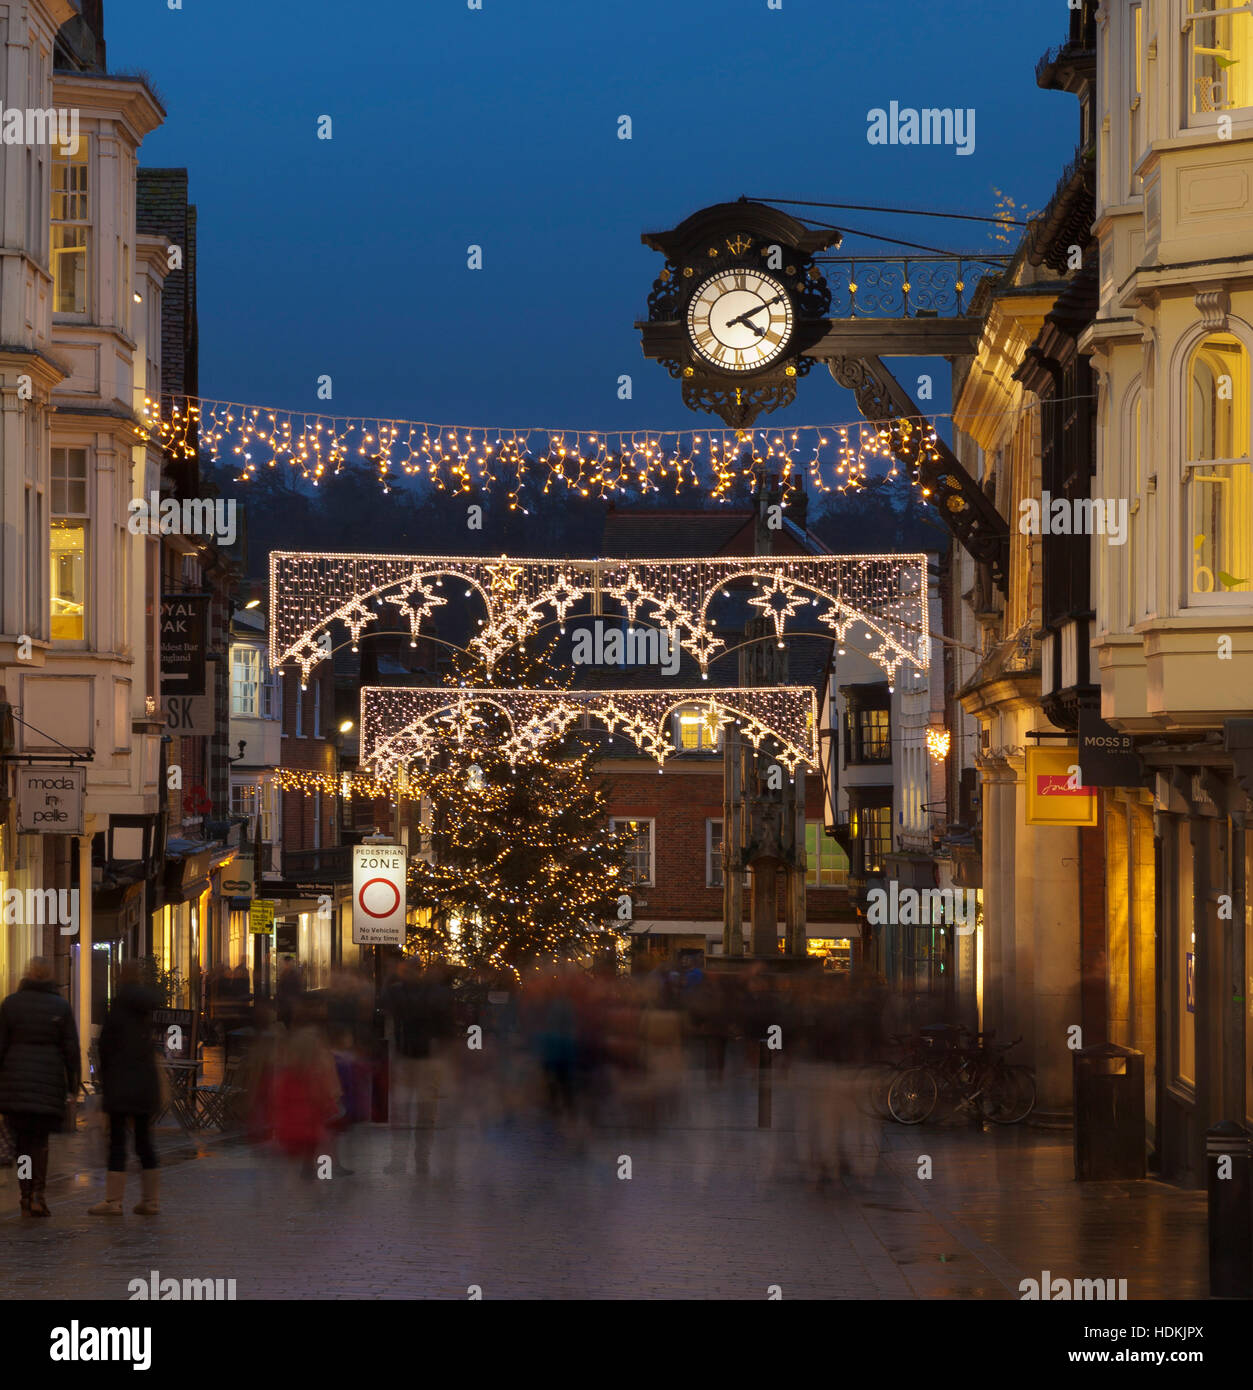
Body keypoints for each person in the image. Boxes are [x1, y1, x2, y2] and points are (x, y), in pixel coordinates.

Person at [0, 957, 81, 1218]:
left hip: (16, 1084)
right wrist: (73, 1085)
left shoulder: (11, 1005)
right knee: (40, 1143)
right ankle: (38, 1193)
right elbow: (71, 1050)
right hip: (48, 1084)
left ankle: (24, 1194)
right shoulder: (60, 1006)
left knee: (22, 1144)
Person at [88, 961, 162, 1216]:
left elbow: (105, 1048)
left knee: (118, 1141)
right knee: (144, 1142)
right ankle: (150, 1200)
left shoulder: (117, 1007)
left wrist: (104, 1080)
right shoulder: (145, 1010)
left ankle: (113, 1201)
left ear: (120, 978)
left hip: (120, 1085)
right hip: (144, 1086)